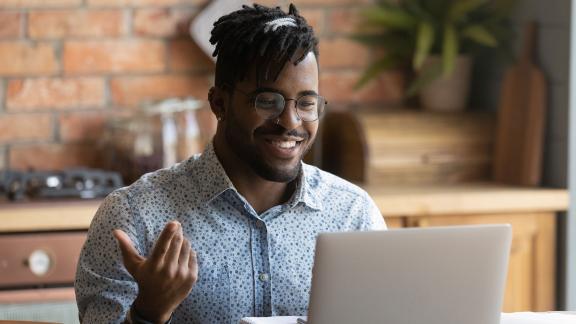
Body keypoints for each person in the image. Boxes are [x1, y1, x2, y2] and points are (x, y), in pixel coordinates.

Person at [75, 3, 386, 324]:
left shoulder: (354, 215)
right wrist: (147, 313)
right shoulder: (135, 215)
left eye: (306, 103)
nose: (290, 122)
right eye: (267, 101)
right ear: (219, 103)